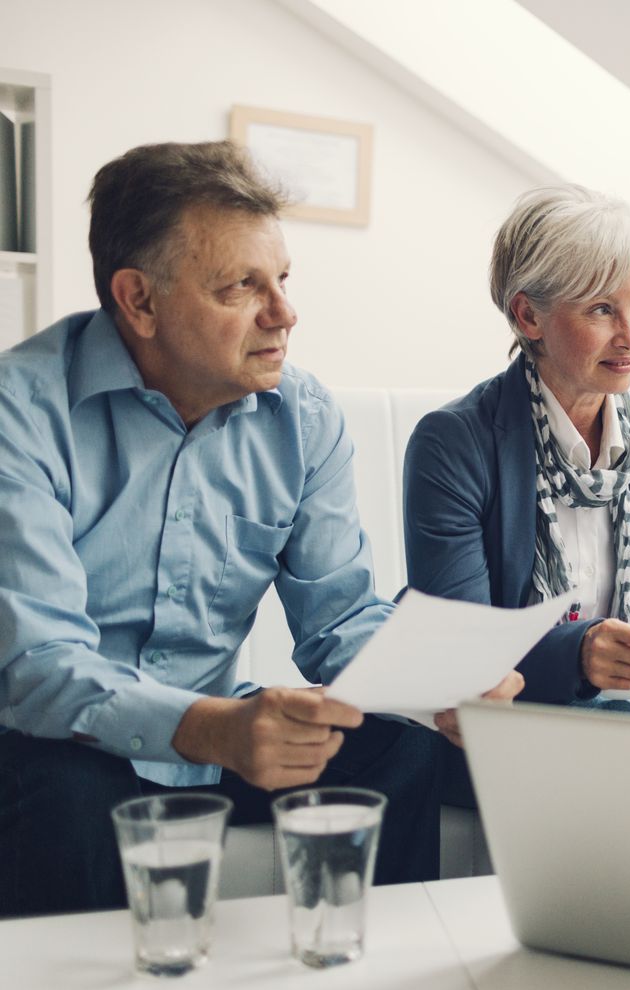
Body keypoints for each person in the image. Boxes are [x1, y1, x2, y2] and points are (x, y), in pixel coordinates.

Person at [0, 141, 510, 919]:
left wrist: (441, 680)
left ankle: (381, 978)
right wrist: (212, 729)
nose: (284, 313)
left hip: (218, 725)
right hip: (52, 740)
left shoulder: (302, 416)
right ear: (138, 301)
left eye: (283, 280)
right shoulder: (21, 411)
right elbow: (39, 665)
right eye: (242, 286)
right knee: (68, 801)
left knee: (400, 753)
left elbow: (338, 620)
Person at [403, 183, 630, 760]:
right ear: (528, 315)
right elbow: (462, 649)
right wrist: (579, 655)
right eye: (601, 310)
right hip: (500, 729)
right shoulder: (453, 443)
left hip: (621, 721)